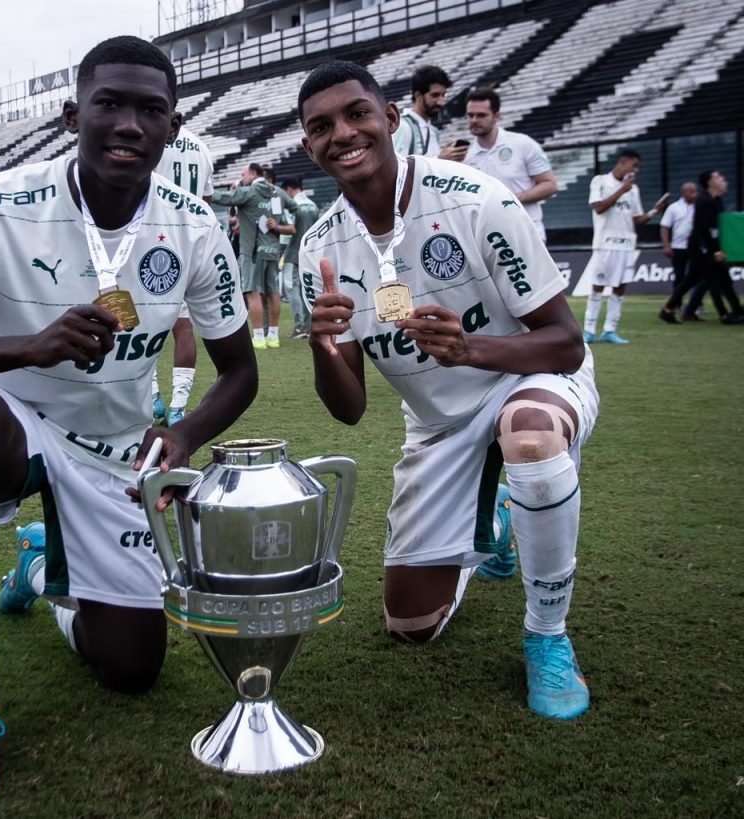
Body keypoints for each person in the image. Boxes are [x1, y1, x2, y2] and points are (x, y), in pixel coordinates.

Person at [0, 36, 256, 806]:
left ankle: (45, 569)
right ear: (71, 113)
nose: (128, 125)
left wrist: (183, 434)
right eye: (109, 104)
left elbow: (240, 371)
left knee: (132, 669)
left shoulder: (193, 227)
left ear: (173, 127)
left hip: (114, 451)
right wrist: (31, 344)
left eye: (150, 110)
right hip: (13, 420)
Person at [297, 60, 599, 721]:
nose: (342, 134)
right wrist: (322, 348)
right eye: (320, 127)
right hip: (438, 422)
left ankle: (547, 635)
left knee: (530, 435)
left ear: (393, 120)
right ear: (307, 146)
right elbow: (348, 410)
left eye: (356, 115)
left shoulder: (478, 199)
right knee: (411, 625)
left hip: (530, 377)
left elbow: (565, 342)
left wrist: (472, 349)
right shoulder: (318, 248)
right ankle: (486, 522)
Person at [151, 125, 215, 425]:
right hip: (192, 245)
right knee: (184, 327)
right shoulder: (202, 149)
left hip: (154, 241)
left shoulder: (156, 139)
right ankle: (178, 406)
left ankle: (152, 398)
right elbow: (207, 203)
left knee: (137, 321)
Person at [581, 149, 668, 344]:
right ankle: (589, 330)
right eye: (633, 165)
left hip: (627, 244)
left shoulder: (633, 189)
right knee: (598, 286)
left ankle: (609, 330)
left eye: (638, 167)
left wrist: (655, 210)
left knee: (620, 287)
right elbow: (599, 207)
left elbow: (638, 219)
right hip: (605, 243)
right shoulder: (600, 181)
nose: (635, 170)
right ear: (622, 162)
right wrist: (622, 190)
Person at [212, 162, 296, 349]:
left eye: (243, 174)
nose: (242, 178)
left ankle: (258, 337)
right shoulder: (277, 192)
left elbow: (224, 197)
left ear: (253, 173)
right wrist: (281, 226)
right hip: (273, 251)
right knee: (273, 292)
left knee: (253, 292)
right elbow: (294, 206)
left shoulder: (249, 191)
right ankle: (273, 337)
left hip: (252, 253)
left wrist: (203, 193)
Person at [463, 87, 558, 242]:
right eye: (470, 115)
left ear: (497, 116)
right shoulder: (465, 156)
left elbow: (550, 185)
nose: (474, 120)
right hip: (488, 239)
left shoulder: (523, 144)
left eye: (481, 115)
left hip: (527, 233)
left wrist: (512, 198)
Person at [667, 171, 744, 325]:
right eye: (717, 177)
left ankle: (671, 310)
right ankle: (727, 314)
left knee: (699, 280)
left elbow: (715, 227)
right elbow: (707, 229)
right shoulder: (705, 201)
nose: (722, 180)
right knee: (713, 279)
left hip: (704, 246)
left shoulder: (715, 200)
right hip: (701, 248)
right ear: (709, 182)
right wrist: (715, 250)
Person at [391, 64, 467, 162]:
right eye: (435, 95)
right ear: (418, 95)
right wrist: (439, 159)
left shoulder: (433, 131)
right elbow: (396, 168)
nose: (441, 102)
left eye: (443, 95)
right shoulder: (403, 126)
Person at [280, 178, 320, 338]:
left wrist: (279, 253)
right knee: (308, 289)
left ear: (289, 189)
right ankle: (311, 326)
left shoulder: (292, 207)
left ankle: (299, 326)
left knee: (292, 289)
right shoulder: (313, 206)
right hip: (310, 254)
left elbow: (287, 235)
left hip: (293, 254)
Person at [657, 182, 698, 323]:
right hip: (678, 247)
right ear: (684, 193)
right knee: (679, 277)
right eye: (691, 192)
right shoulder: (674, 208)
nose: (694, 194)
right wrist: (666, 245)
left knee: (694, 277)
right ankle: (676, 305)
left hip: (694, 247)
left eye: (695, 191)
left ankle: (695, 305)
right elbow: (665, 227)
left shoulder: (698, 206)